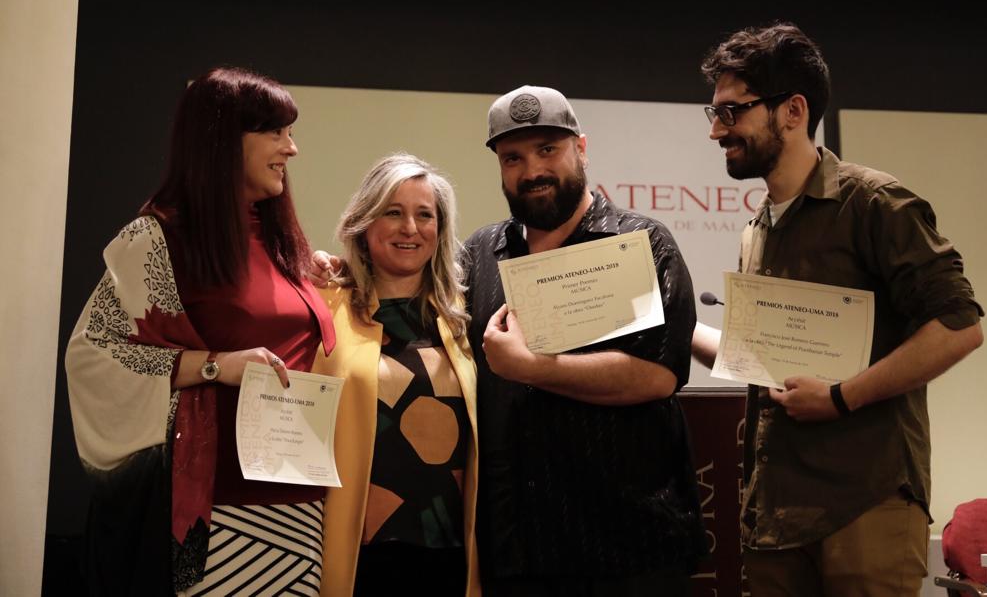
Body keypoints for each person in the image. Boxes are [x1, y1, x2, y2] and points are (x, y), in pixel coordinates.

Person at [691, 23, 984, 595]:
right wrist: (671, 326)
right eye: (714, 113)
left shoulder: (875, 203)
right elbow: (760, 361)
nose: (716, 132)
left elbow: (959, 327)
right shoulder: (757, 228)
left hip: (865, 504)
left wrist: (840, 398)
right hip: (775, 517)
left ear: (793, 111)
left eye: (732, 113)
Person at [65, 66, 336, 595]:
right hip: (218, 510)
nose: (293, 149)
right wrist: (215, 365)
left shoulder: (282, 243)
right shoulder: (159, 238)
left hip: (299, 506)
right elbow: (94, 354)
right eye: (276, 132)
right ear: (222, 139)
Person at [464, 86, 706, 595]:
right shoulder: (480, 253)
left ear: (581, 147)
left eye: (548, 150)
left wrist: (530, 368)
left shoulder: (642, 242)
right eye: (513, 157)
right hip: (516, 551)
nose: (532, 170)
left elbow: (658, 376)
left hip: (631, 550)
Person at [313, 154, 481, 596]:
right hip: (363, 554)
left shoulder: (464, 321)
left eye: (424, 215)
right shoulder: (326, 309)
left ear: (439, 231)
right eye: (393, 212)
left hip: (450, 554)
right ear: (364, 226)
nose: (410, 227)